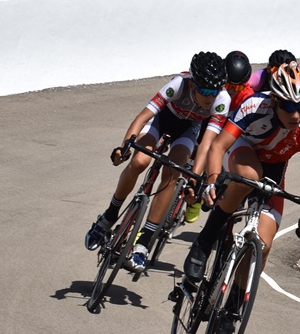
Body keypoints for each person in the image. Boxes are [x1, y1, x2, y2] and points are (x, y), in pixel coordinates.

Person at [182, 62, 300, 288]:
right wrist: (212, 182)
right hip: (241, 150)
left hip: (274, 169)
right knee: (251, 175)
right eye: (289, 106)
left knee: (263, 245)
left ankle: (234, 303)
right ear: (274, 100)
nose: (296, 115)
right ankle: (205, 240)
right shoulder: (254, 106)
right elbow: (218, 146)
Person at [84, 52, 231, 272]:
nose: (210, 97)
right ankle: (109, 215)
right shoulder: (179, 84)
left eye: (214, 91)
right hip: (161, 121)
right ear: (193, 84)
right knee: (139, 161)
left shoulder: (222, 100)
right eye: (205, 91)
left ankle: (144, 241)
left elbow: (207, 144)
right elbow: (143, 116)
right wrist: (124, 147)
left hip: (188, 130)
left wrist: (194, 177)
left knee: (173, 173)